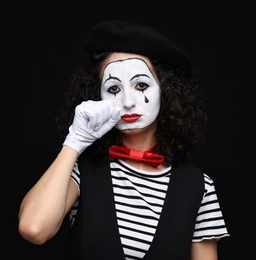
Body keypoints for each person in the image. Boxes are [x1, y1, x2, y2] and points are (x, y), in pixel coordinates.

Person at [18, 20, 230, 259]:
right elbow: (33, 229)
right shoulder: (80, 171)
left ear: (166, 91)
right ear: (97, 95)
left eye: (141, 85)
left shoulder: (200, 187)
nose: (128, 102)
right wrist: (74, 142)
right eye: (114, 89)